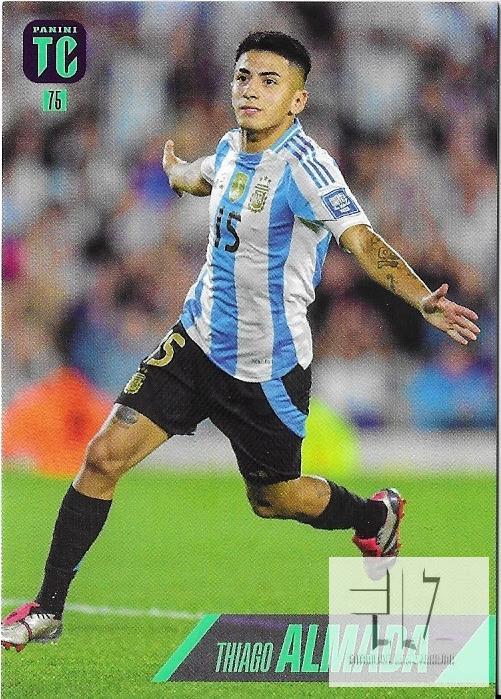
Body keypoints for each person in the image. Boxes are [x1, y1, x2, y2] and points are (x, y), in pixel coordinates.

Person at [1, 32, 480, 651]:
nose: (250, 90)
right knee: (102, 457)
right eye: (243, 77)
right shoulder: (231, 147)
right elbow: (208, 175)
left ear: (298, 99)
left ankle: (374, 515)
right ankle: (47, 609)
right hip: (196, 341)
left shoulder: (306, 169)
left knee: (274, 498)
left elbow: (361, 240)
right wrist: (177, 173)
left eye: (268, 81)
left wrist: (420, 298)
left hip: (266, 368)